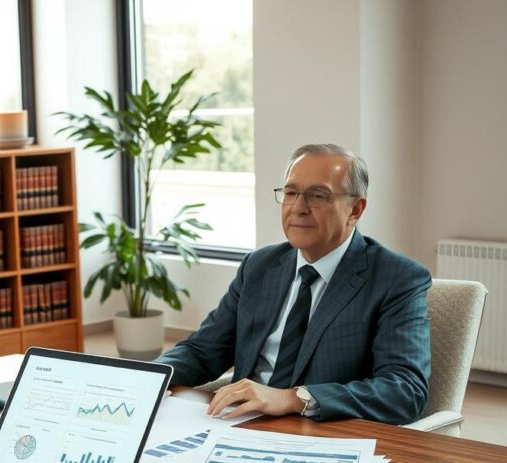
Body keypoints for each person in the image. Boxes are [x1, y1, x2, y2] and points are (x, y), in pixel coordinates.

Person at [156, 144, 431, 425]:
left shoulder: (396, 278)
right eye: (290, 193)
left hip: (322, 434)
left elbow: (405, 391)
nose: (298, 208)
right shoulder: (259, 266)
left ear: (355, 209)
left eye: (318, 196)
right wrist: (141, 377)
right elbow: (202, 351)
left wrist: (293, 398)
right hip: (238, 425)